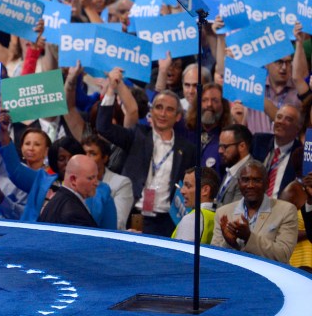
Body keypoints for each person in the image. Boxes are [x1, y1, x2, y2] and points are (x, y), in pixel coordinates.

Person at [97, 85, 197, 237]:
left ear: (178, 116)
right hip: (133, 216)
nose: (163, 113)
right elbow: (103, 127)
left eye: (169, 109)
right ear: (151, 111)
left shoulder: (188, 150)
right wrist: (111, 89)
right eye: (158, 107)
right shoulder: (137, 136)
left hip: (166, 222)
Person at [212, 160, 297, 264]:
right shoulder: (223, 213)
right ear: (239, 183)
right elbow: (215, 260)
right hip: (234, 278)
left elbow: (283, 255)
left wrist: (249, 237)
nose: (250, 185)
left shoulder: (286, 210)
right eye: (245, 180)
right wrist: (230, 243)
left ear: (267, 184)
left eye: (256, 180)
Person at [251, 104, 303, 200]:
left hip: (281, 207)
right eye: (279, 117)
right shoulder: (258, 141)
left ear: (298, 128)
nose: (281, 122)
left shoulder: (301, 154)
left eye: (288, 119)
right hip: (253, 203)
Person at [38, 155, 99, 227]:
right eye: (90, 178)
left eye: (96, 177)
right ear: (73, 180)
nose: (96, 183)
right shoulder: (74, 214)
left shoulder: (58, 199)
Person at [172, 166, 219, 243]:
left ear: (205, 190)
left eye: (188, 186)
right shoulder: (216, 215)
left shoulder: (192, 219)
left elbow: (181, 253)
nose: (182, 191)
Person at [215, 124, 253, 207]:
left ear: (242, 146)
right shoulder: (232, 168)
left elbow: (235, 211)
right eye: (219, 146)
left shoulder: (250, 174)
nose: (220, 151)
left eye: (224, 146)